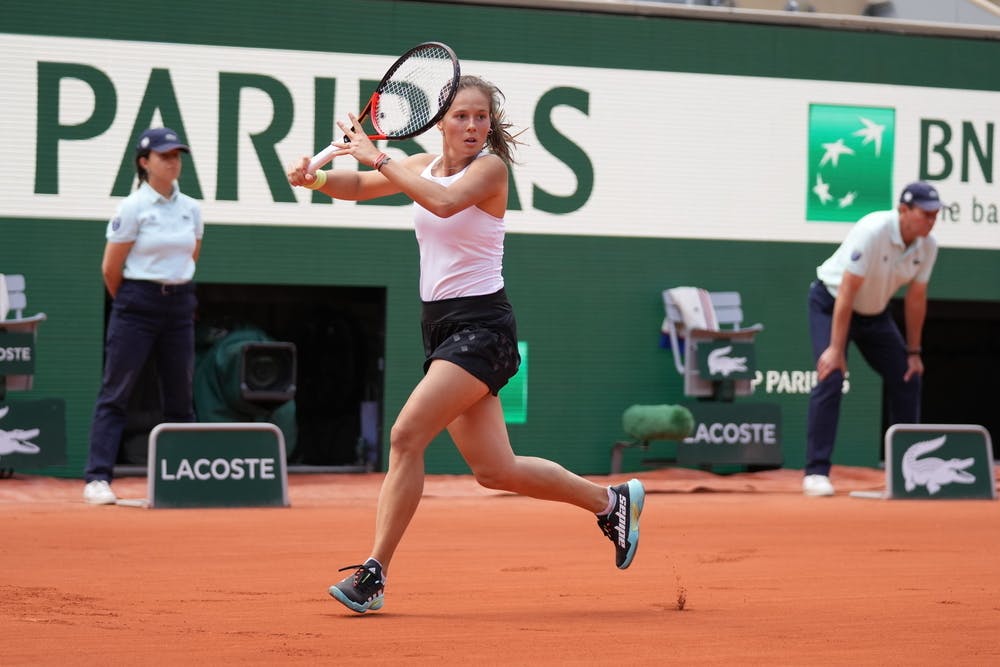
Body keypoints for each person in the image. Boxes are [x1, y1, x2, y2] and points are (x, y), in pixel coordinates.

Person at [287, 75, 644, 613]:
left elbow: (445, 203)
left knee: (406, 434)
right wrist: (313, 180)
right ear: (441, 121)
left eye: (480, 116)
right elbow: (357, 188)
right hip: (440, 329)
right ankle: (610, 502)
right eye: (461, 116)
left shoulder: (490, 170)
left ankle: (374, 573)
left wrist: (376, 157)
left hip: (483, 329)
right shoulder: (421, 164)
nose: (472, 125)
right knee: (495, 470)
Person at [83, 128, 203, 505]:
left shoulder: (192, 208)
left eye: (176, 155)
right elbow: (110, 268)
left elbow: (190, 256)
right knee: (116, 392)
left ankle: (183, 477)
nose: (173, 161)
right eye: (164, 155)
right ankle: (98, 478)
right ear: (144, 162)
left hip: (180, 304)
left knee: (181, 396)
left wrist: (169, 294)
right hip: (136, 303)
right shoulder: (132, 207)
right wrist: (135, 302)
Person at [803, 181, 941, 496]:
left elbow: (916, 299)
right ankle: (815, 473)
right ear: (904, 210)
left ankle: (906, 474)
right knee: (831, 376)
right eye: (925, 213)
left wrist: (914, 351)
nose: (931, 220)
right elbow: (847, 291)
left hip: (875, 314)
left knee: (908, 376)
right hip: (832, 302)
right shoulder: (872, 230)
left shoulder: (928, 245)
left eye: (936, 214)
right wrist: (836, 349)